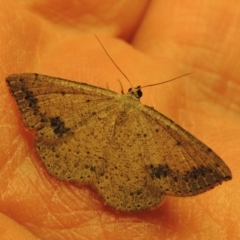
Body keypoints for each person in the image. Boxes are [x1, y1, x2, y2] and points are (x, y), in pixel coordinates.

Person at [1, 1, 238, 239]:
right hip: (125, 172)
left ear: (125, 93)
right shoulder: (152, 121)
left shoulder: (97, 98)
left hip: (74, 151)